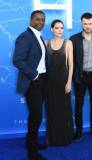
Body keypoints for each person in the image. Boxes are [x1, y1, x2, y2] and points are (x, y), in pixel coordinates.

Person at [12, 10, 48, 160]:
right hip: (33, 82)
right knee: (36, 116)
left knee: (36, 115)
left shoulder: (38, 36)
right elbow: (17, 60)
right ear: (31, 19)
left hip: (43, 80)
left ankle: (30, 142)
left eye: (43, 20)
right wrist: (33, 74)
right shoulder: (25, 37)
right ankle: (32, 153)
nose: (40, 22)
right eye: (37, 19)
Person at [70, 12, 92, 140]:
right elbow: (71, 60)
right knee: (79, 104)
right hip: (80, 76)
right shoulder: (74, 39)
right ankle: (79, 130)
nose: (87, 26)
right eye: (85, 24)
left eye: (90, 24)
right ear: (81, 23)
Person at [45, 19, 73, 146]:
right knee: (51, 109)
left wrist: (69, 82)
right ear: (52, 29)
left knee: (64, 110)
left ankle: (64, 138)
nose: (60, 30)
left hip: (63, 81)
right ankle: (52, 138)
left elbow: (71, 65)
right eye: (57, 28)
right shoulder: (46, 43)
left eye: (61, 28)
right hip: (49, 81)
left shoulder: (68, 43)